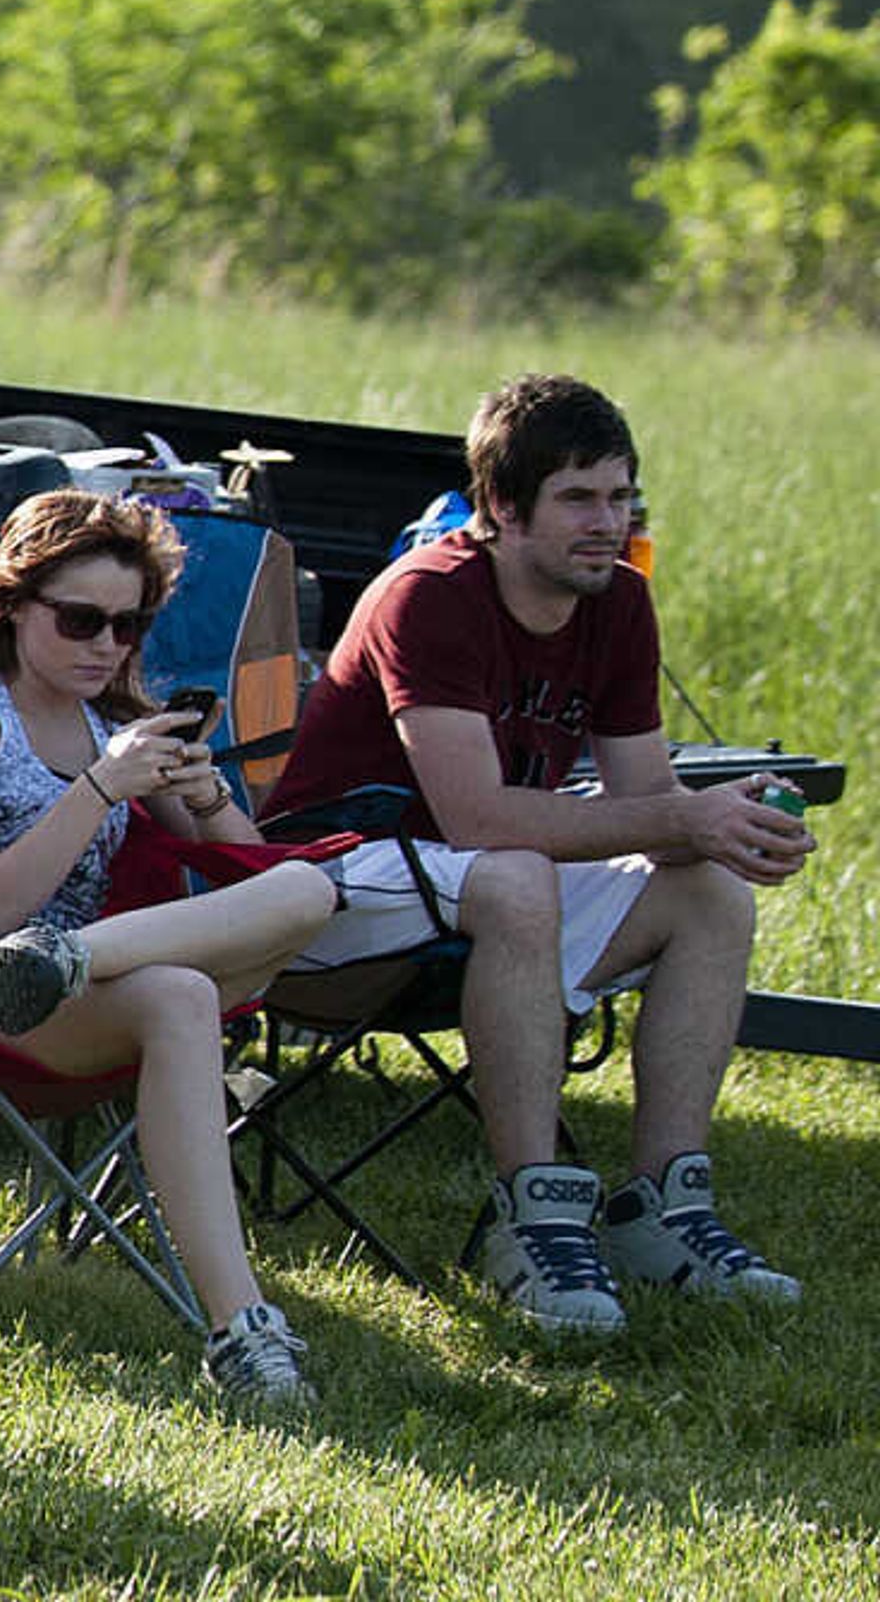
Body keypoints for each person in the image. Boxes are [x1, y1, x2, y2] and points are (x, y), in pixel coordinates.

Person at [266, 372, 806, 1329]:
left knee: (709, 891)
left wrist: (726, 823)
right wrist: (681, 819)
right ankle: (537, 1215)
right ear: (502, 509)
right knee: (515, 875)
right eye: (579, 499)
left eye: (621, 495)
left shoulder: (618, 603)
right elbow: (474, 818)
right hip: (331, 891)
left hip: (488, 899)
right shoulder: (429, 596)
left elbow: (642, 803)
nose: (609, 521)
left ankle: (663, 1207)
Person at [0, 489, 343, 1406]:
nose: (106, 646)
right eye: (81, 620)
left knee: (308, 888)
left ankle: (67, 961)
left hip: (77, 970)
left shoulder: (117, 721)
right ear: (12, 605)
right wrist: (98, 787)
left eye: (129, 627)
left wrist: (203, 791)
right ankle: (244, 1333)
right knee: (180, 996)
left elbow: (246, 872)